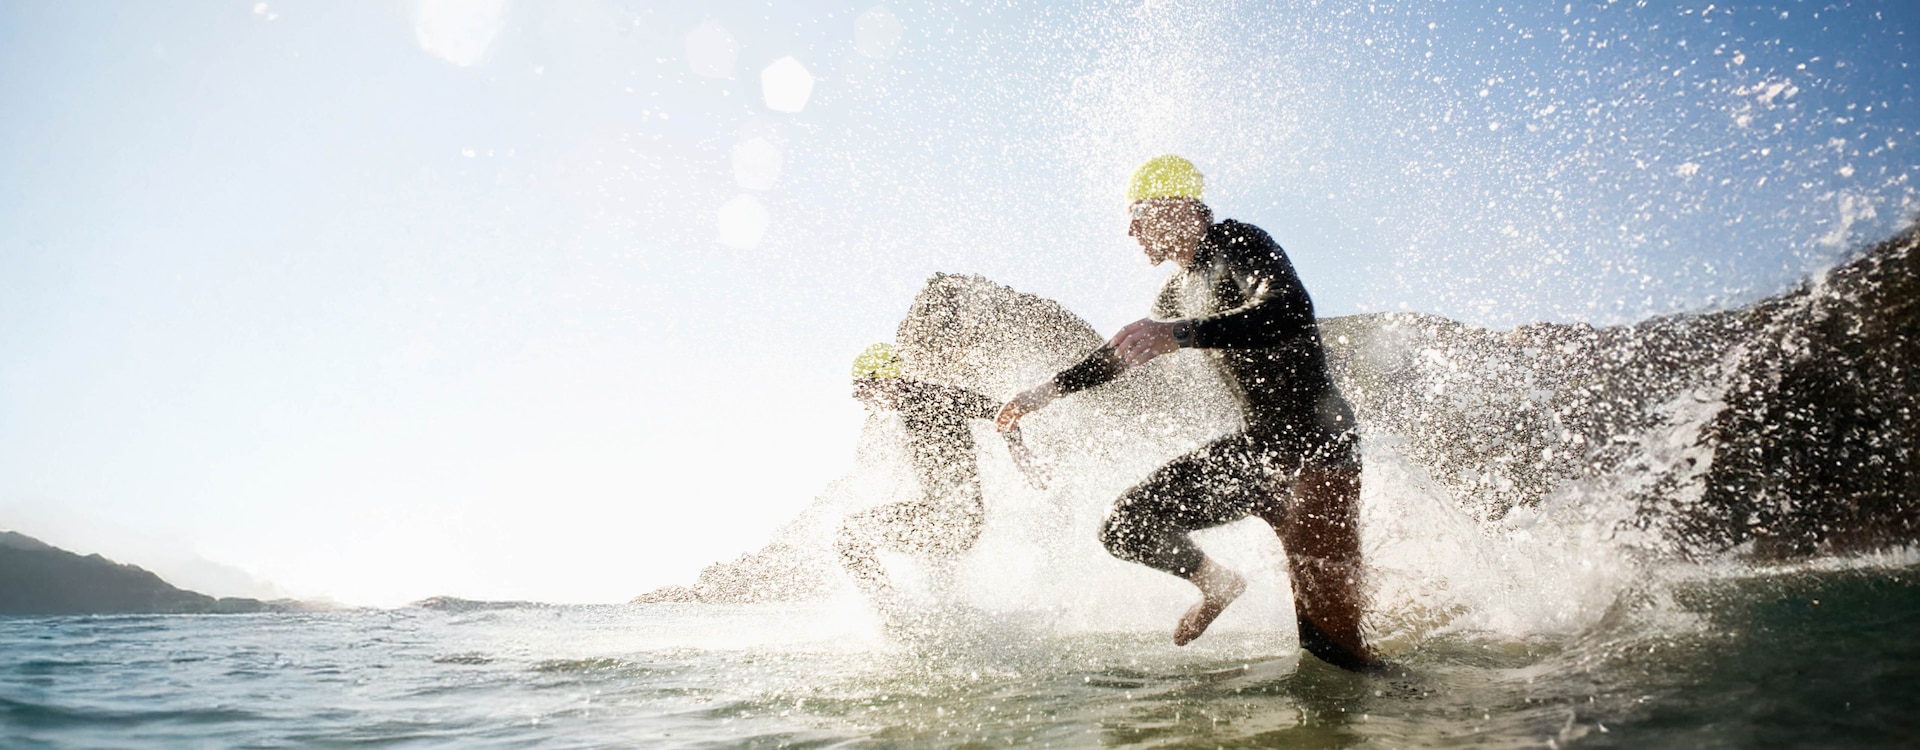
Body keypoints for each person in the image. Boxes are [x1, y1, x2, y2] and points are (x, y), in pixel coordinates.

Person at [995, 155, 1382, 672]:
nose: (1131, 231)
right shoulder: (1175, 291)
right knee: (1126, 524)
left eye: (1139, 214)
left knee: (1332, 650)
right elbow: (1123, 353)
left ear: (1178, 208)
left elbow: (1288, 307)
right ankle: (1217, 584)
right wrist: (1044, 393)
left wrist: (1179, 333)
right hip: (1257, 452)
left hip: (1316, 448)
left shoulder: (1239, 242)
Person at [836, 343, 1043, 603]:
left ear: (886, 380)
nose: (857, 393)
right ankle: (942, 617)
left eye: (863, 383)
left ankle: (890, 610)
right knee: (938, 595)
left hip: (953, 520)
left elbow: (1004, 410)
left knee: (849, 535)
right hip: (948, 516)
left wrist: (1019, 451)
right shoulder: (903, 409)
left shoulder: (932, 396)